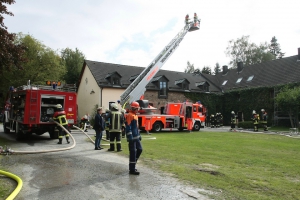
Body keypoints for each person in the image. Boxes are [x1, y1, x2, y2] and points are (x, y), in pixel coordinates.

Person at [125, 101, 142, 175]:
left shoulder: (135, 115)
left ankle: (133, 164)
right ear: (134, 108)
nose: (138, 110)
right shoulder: (130, 115)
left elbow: (136, 128)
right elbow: (128, 127)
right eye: (137, 108)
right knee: (133, 152)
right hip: (132, 138)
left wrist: (139, 135)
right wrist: (130, 136)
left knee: (140, 149)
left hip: (136, 137)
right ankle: (132, 169)